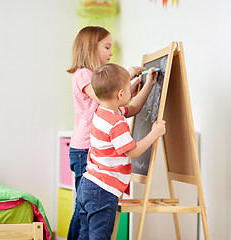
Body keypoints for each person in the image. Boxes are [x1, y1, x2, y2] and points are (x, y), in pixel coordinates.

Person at [66, 26, 144, 240]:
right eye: (107, 47)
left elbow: (113, 100)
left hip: (87, 148)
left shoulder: (90, 75)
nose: (111, 53)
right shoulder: (83, 74)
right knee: (82, 213)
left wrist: (127, 88)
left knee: (83, 211)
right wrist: (124, 79)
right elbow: (104, 97)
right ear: (91, 48)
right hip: (84, 148)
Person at [77, 63, 166, 240]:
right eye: (127, 88)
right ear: (120, 94)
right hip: (103, 190)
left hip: (87, 186)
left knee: (84, 235)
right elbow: (132, 152)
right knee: (98, 237)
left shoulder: (101, 112)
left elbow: (133, 109)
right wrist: (154, 133)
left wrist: (148, 84)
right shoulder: (116, 123)